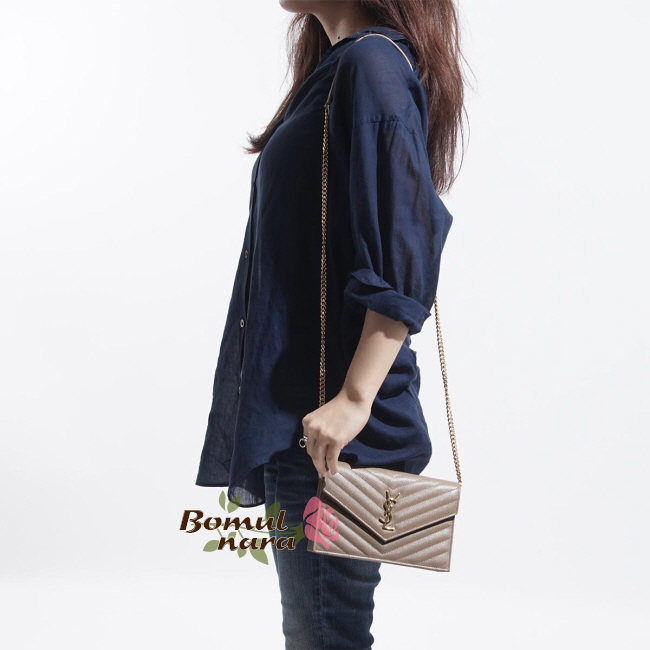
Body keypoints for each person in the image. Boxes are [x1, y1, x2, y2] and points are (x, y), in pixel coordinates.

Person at [195, 1, 466, 647]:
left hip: (332, 430)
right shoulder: (343, 67)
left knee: (325, 633)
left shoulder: (372, 64)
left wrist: (353, 399)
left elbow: (405, 244)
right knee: (320, 628)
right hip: (307, 417)